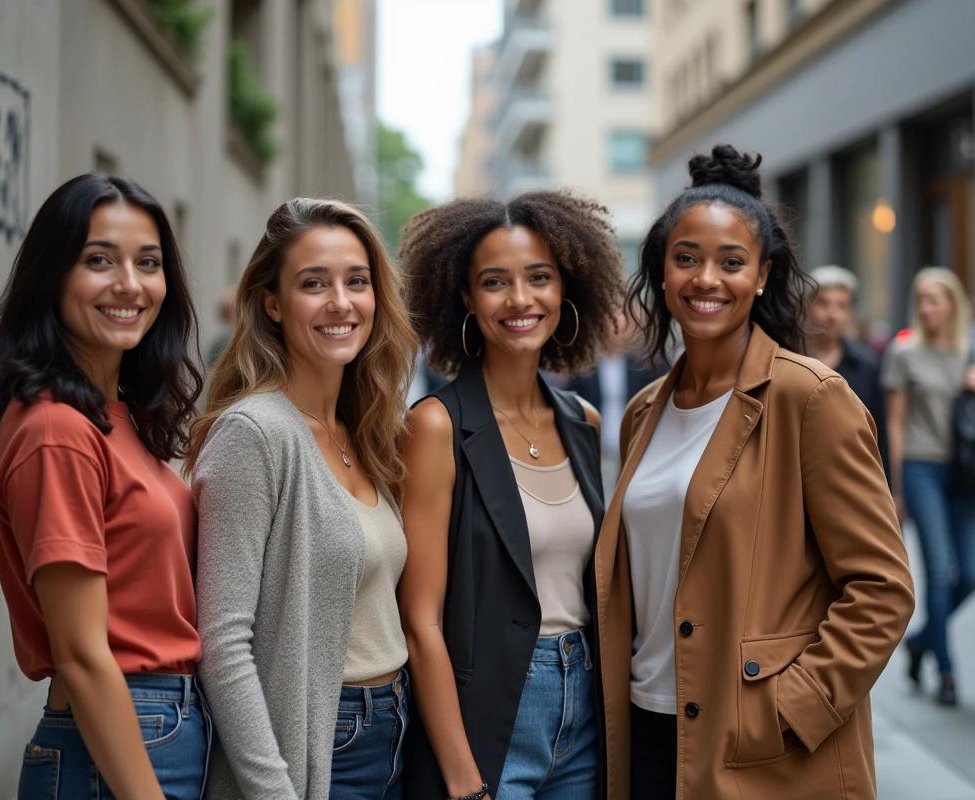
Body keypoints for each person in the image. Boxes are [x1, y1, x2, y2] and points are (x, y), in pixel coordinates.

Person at [597, 145, 914, 799]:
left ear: (763, 275)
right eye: (687, 258)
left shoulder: (811, 399)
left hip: (759, 746)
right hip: (647, 732)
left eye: (731, 262)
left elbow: (882, 588)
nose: (706, 279)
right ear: (661, 271)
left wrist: (792, 708)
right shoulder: (642, 412)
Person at [0, 173, 209, 799]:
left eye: (148, 263)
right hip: (120, 742)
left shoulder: (112, 416)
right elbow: (81, 654)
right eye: (99, 260)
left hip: (159, 728)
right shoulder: (58, 431)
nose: (129, 284)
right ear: (53, 276)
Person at [397, 191, 626, 800]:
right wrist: (461, 778)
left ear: (566, 289)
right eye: (495, 282)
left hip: (584, 716)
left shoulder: (582, 422)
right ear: (466, 299)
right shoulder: (437, 426)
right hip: (490, 724)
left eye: (539, 277)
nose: (520, 299)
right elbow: (420, 621)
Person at [186, 199, 417, 799]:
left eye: (357, 281)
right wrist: (273, 791)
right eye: (314, 284)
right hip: (320, 746)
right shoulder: (254, 434)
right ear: (273, 303)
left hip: (394, 731)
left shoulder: (366, 429)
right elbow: (222, 642)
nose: (341, 302)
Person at [883, 266, 975, 706]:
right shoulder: (904, 352)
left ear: (952, 304)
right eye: (920, 299)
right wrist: (897, 489)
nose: (925, 307)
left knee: (971, 574)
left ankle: (921, 641)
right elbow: (895, 424)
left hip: (966, 472)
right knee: (938, 571)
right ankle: (947, 671)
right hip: (922, 468)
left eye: (933, 299)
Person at [807, 264, 890, 481]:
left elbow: (878, 432)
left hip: (851, 475)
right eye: (823, 303)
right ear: (808, 306)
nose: (832, 314)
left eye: (841, 306)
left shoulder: (867, 365)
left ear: (850, 312)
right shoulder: (789, 358)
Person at [567, 313, 664, 494]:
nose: (616, 333)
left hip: (630, 442)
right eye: (612, 327)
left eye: (621, 328)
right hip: (596, 445)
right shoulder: (586, 366)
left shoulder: (640, 366)